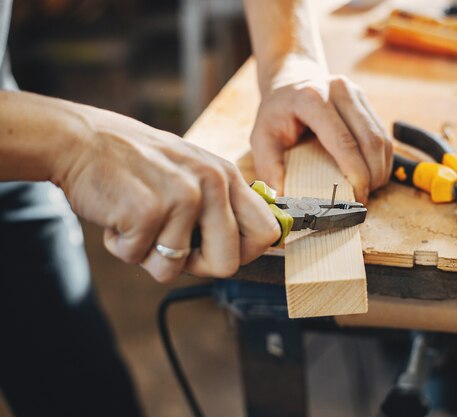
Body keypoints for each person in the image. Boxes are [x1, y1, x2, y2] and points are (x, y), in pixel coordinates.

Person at [0, 0, 392, 415]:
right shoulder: (67, 143)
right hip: (32, 139)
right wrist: (74, 143)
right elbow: (69, 143)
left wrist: (289, 58)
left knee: (85, 393)